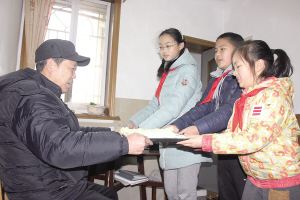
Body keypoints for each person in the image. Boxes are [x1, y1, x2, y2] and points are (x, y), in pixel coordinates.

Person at [0, 39, 153, 200]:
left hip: (53, 181)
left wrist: (115, 134)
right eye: (72, 69)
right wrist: (124, 144)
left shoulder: (42, 93)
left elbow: (72, 132)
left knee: (110, 193)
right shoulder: (33, 98)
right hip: (44, 191)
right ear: (51, 65)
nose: (74, 76)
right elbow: (60, 148)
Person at [178, 40, 300, 200]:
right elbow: (233, 132)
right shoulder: (247, 98)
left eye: (238, 66)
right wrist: (203, 142)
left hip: (279, 182)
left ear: (258, 66)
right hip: (255, 178)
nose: (234, 73)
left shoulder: (273, 96)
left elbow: (254, 139)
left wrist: (206, 141)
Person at [127, 28, 206, 199]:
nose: (164, 51)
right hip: (168, 142)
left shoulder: (188, 71)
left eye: (168, 46)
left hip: (185, 140)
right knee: (171, 193)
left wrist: (142, 131)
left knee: (185, 194)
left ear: (181, 45)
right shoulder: (168, 73)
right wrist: (135, 123)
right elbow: (154, 105)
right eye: (161, 47)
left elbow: (173, 108)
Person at [168, 32, 246, 200]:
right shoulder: (217, 80)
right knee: (226, 191)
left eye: (222, 49)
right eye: (216, 50)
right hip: (223, 144)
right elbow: (204, 107)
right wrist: (177, 125)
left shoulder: (241, 78)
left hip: (240, 145)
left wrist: (198, 128)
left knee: (242, 191)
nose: (217, 54)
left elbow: (228, 110)